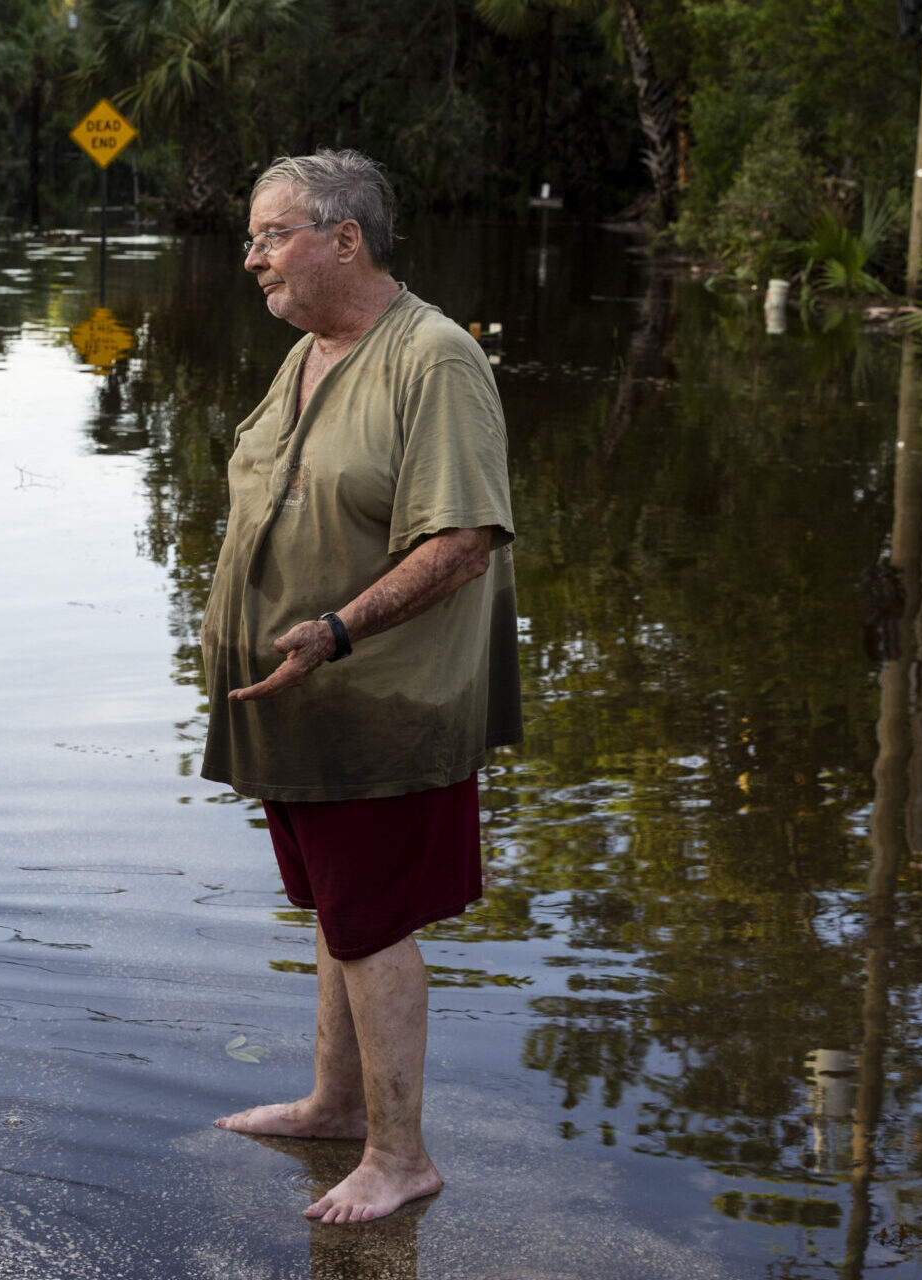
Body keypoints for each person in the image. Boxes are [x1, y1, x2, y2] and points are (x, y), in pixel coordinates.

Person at [201, 151, 522, 1225]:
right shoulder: (306, 353)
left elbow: (465, 538)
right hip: (300, 703)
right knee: (340, 913)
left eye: (270, 234)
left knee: (373, 919)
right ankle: (337, 1103)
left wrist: (339, 628)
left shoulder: (431, 357)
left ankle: (399, 1154)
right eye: (250, 238)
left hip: (381, 701)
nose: (252, 259)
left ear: (346, 238)